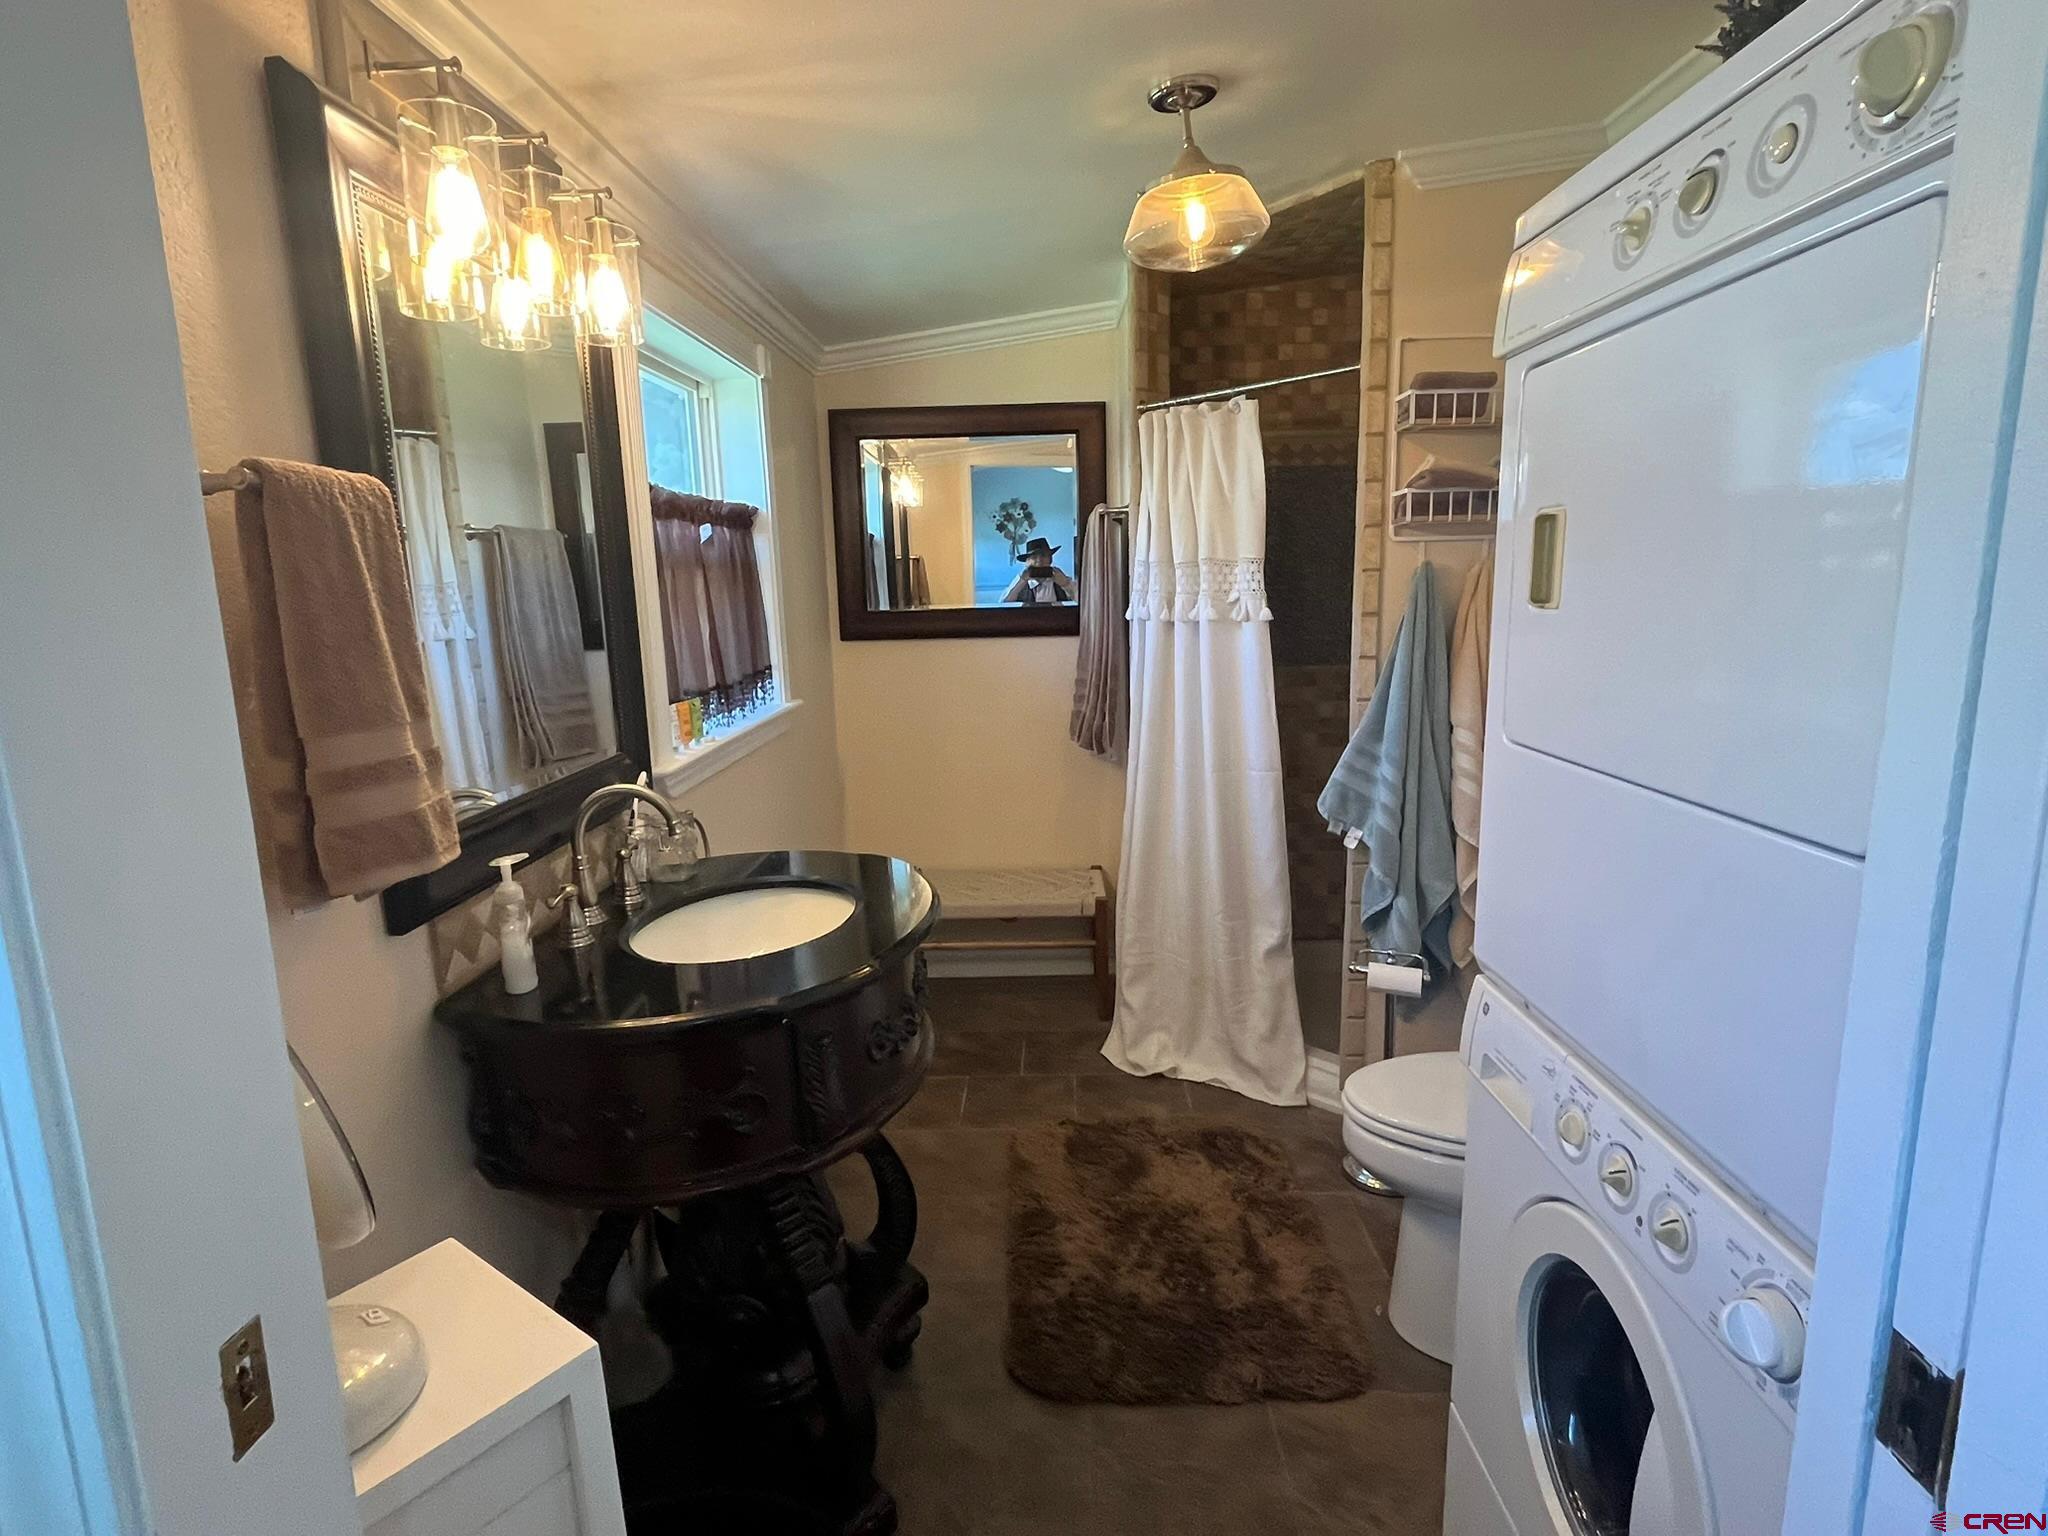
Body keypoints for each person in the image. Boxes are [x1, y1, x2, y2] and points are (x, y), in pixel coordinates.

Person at [1001, 536, 1077, 606]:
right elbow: (1003, 605)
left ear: (1050, 559)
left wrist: (1066, 584)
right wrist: (1020, 581)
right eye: (1034, 557)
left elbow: (1084, 601)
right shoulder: (1021, 583)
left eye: (1043, 555)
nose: (1039, 560)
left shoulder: (1061, 580)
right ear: (1027, 562)